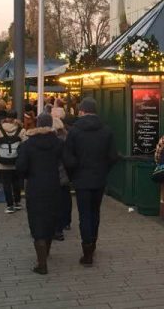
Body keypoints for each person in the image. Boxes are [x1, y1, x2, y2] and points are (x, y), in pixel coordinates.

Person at [63, 97, 118, 266]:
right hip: (99, 178)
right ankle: (92, 243)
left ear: (82, 111)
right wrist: (104, 170)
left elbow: (68, 158)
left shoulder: (74, 131)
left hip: (81, 179)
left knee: (84, 214)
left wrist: (73, 174)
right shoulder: (106, 130)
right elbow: (113, 156)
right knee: (95, 212)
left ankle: (86, 250)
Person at [16, 113, 64, 275]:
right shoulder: (58, 143)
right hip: (53, 184)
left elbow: (20, 166)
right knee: (50, 217)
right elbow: (67, 161)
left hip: (35, 186)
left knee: (36, 220)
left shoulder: (28, 144)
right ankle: (47, 250)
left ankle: (41, 262)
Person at [0, 111, 27, 214]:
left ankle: (9, 205)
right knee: (16, 182)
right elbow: (25, 145)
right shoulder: (21, 130)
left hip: (2, 161)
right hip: (16, 161)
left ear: (6, 118)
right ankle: (17, 202)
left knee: (6, 184)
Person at [52, 117, 72, 241]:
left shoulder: (54, 141)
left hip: (56, 174)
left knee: (57, 200)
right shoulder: (68, 137)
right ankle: (67, 221)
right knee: (66, 197)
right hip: (66, 173)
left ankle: (58, 223)